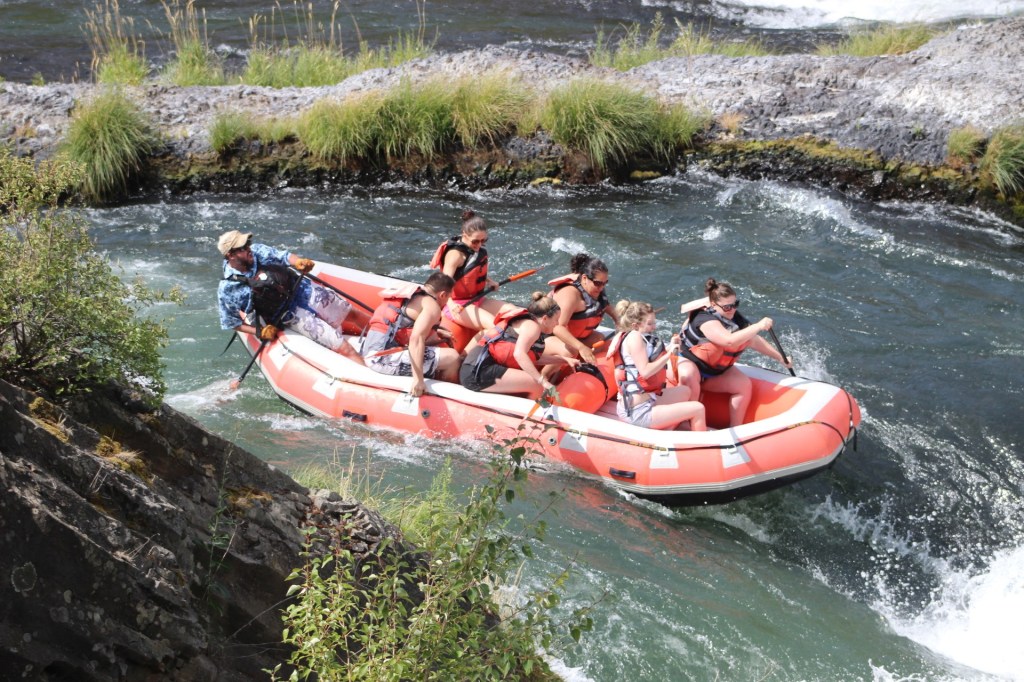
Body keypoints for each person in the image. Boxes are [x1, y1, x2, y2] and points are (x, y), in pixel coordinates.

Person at [216, 230, 370, 365]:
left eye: (248, 244)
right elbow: (232, 323)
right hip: (291, 315)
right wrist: (259, 332)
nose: (249, 249)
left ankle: (382, 335)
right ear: (230, 255)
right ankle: (372, 379)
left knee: (352, 314)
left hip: (303, 289)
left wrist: (298, 262)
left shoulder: (257, 251)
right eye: (242, 248)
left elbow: (284, 257)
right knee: (345, 349)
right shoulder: (228, 289)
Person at [680, 278, 792, 427]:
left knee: (743, 385)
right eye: (727, 307)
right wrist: (758, 326)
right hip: (689, 367)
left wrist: (780, 358)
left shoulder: (734, 317)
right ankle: (686, 425)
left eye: (735, 304)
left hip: (712, 373)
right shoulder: (704, 319)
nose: (732, 310)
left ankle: (736, 428)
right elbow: (729, 341)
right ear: (713, 304)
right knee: (689, 374)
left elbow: (753, 340)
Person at [607, 300, 706, 431]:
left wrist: (671, 345)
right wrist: (669, 354)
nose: (654, 327)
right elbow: (645, 372)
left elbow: (650, 358)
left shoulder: (636, 335)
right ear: (635, 325)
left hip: (648, 400)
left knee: (686, 391)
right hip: (638, 412)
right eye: (649, 323)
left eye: (654, 322)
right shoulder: (634, 338)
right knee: (698, 408)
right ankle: (698, 439)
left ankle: (682, 425)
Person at [459, 292, 578, 400]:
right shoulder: (532, 327)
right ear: (545, 319)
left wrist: (563, 360)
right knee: (537, 384)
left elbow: (532, 357)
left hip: (477, 368)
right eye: (556, 319)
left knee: (536, 381)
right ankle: (536, 413)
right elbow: (519, 354)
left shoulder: (530, 323)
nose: (557, 323)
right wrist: (541, 380)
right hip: (476, 372)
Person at [361, 272, 463, 397]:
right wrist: (418, 380)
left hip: (370, 351)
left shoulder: (412, 295)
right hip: (381, 359)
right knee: (453, 357)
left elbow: (402, 332)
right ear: (442, 295)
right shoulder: (432, 306)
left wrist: (437, 336)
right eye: (448, 298)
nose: (447, 302)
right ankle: (448, 396)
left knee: (438, 350)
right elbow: (416, 340)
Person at [429, 209, 511, 334]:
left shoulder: (476, 250)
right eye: (475, 241)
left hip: (477, 299)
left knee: (512, 311)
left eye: (483, 241)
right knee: (495, 327)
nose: (479, 245)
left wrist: (490, 281)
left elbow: (470, 272)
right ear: (464, 235)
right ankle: (472, 348)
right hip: (457, 305)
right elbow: (443, 284)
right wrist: (450, 304)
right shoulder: (455, 255)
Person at [545, 252, 619, 363]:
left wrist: (620, 321)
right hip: (547, 337)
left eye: (605, 283)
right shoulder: (569, 293)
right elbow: (557, 327)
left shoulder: (596, 288)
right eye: (598, 283)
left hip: (576, 337)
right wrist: (581, 347)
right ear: (584, 278)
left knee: (599, 340)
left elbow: (606, 307)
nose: (601, 287)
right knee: (571, 351)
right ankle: (544, 373)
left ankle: (578, 366)